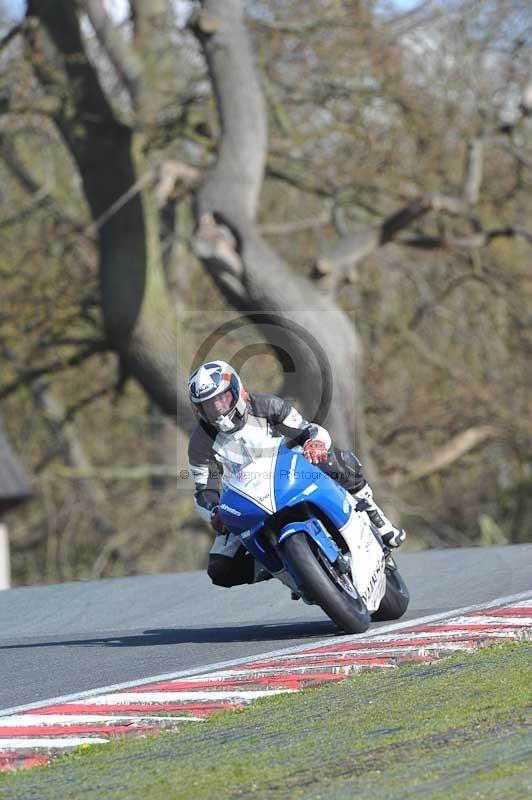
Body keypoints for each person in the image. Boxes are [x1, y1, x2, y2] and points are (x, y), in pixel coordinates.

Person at [187, 360, 406, 588]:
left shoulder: (266, 406)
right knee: (219, 569)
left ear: (237, 390)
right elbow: (205, 490)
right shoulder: (200, 443)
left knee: (331, 458)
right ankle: (280, 564)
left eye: (223, 399)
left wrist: (313, 443)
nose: (219, 409)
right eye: (209, 406)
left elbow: (306, 430)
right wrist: (214, 511)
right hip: (247, 499)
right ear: (199, 410)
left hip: (288, 473)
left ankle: (376, 517)